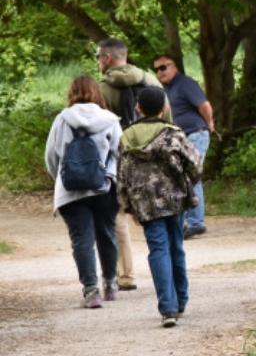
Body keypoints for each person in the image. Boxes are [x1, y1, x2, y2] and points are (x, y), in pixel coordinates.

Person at [116, 88, 202, 328]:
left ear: (138, 108)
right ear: (164, 108)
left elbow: (121, 176)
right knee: (176, 246)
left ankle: (168, 308)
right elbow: (195, 164)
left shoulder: (127, 137)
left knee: (158, 249)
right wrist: (186, 184)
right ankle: (181, 300)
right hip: (174, 199)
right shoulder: (172, 134)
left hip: (145, 203)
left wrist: (127, 205)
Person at [43, 76, 123, 309]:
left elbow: (51, 155)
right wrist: (111, 177)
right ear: (97, 92)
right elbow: (119, 154)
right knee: (107, 234)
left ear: (72, 93)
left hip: (71, 190)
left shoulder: (62, 119)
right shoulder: (110, 120)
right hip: (105, 187)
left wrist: (60, 178)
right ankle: (111, 284)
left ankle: (91, 291)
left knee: (82, 240)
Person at [97, 38, 170, 292]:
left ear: (107, 58)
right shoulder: (151, 80)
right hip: (154, 158)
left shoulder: (103, 89)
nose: (98, 62)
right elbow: (167, 118)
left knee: (117, 217)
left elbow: (99, 129)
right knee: (156, 215)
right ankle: (166, 269)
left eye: (98, 57)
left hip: (121, 158)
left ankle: (125, 275)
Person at [152, 54, 215, 239]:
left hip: (195, 134)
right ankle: (188, 221)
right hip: (180, 138)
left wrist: (209, 124)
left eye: (164, 67)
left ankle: (196, 223)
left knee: (190, 176)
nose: (160, 72)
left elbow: (204, 105)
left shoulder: (185, 83)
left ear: (175, 67)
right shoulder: (166, 89)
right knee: (180, 176)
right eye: (156, 69)